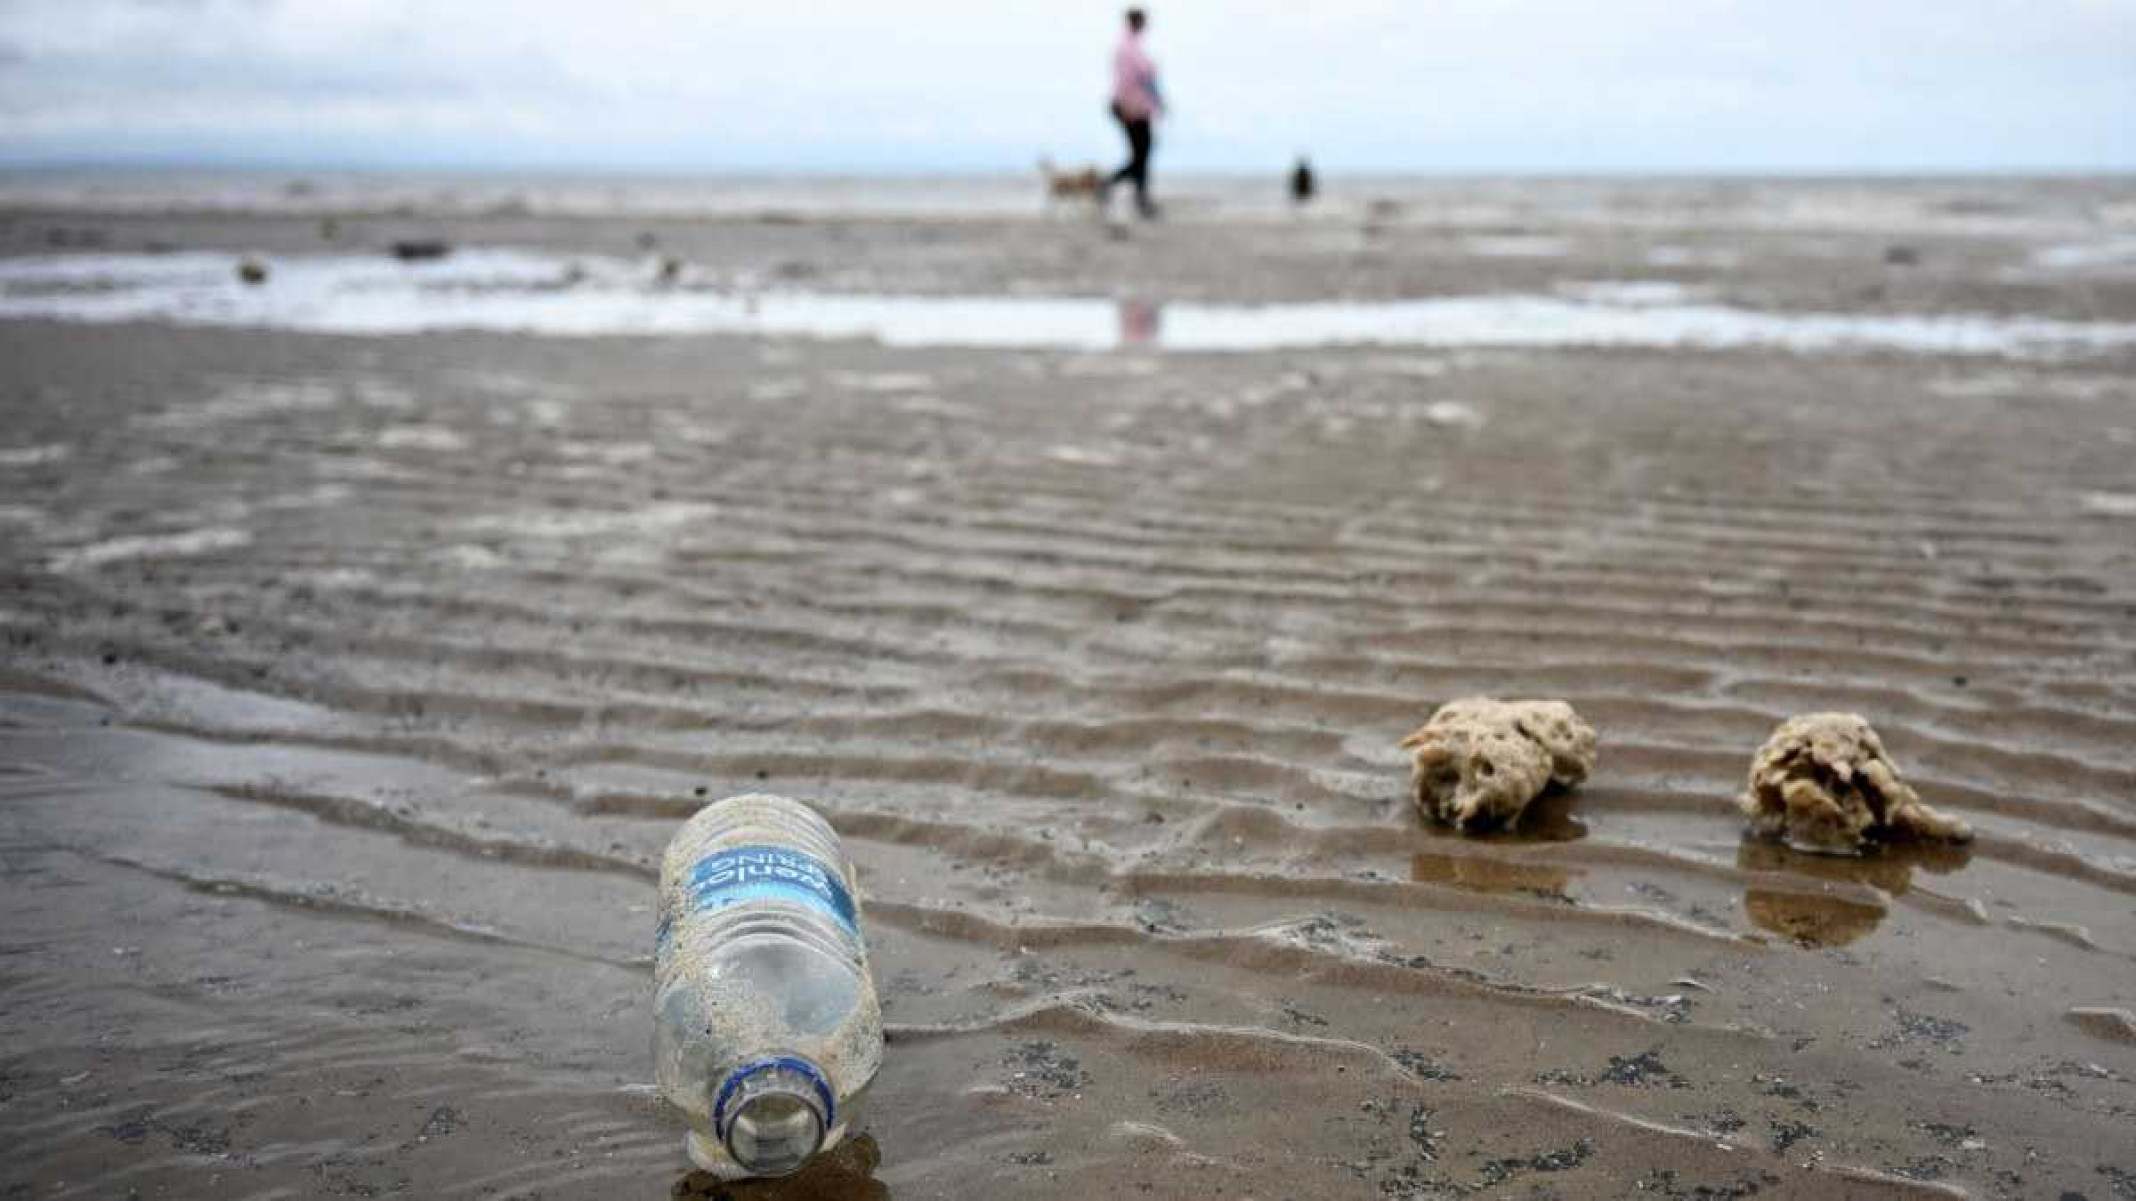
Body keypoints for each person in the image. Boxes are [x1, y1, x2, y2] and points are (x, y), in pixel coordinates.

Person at [1107, 8, 1163, 219]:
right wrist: (1129, 107)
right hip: (1132, 108)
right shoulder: (1128, 48)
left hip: (1134, 106)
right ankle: (1115, 187)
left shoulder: (1131, 46)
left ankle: (1139, 198)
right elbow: (1130, 81)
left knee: (1141, 155)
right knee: (1141, 155)